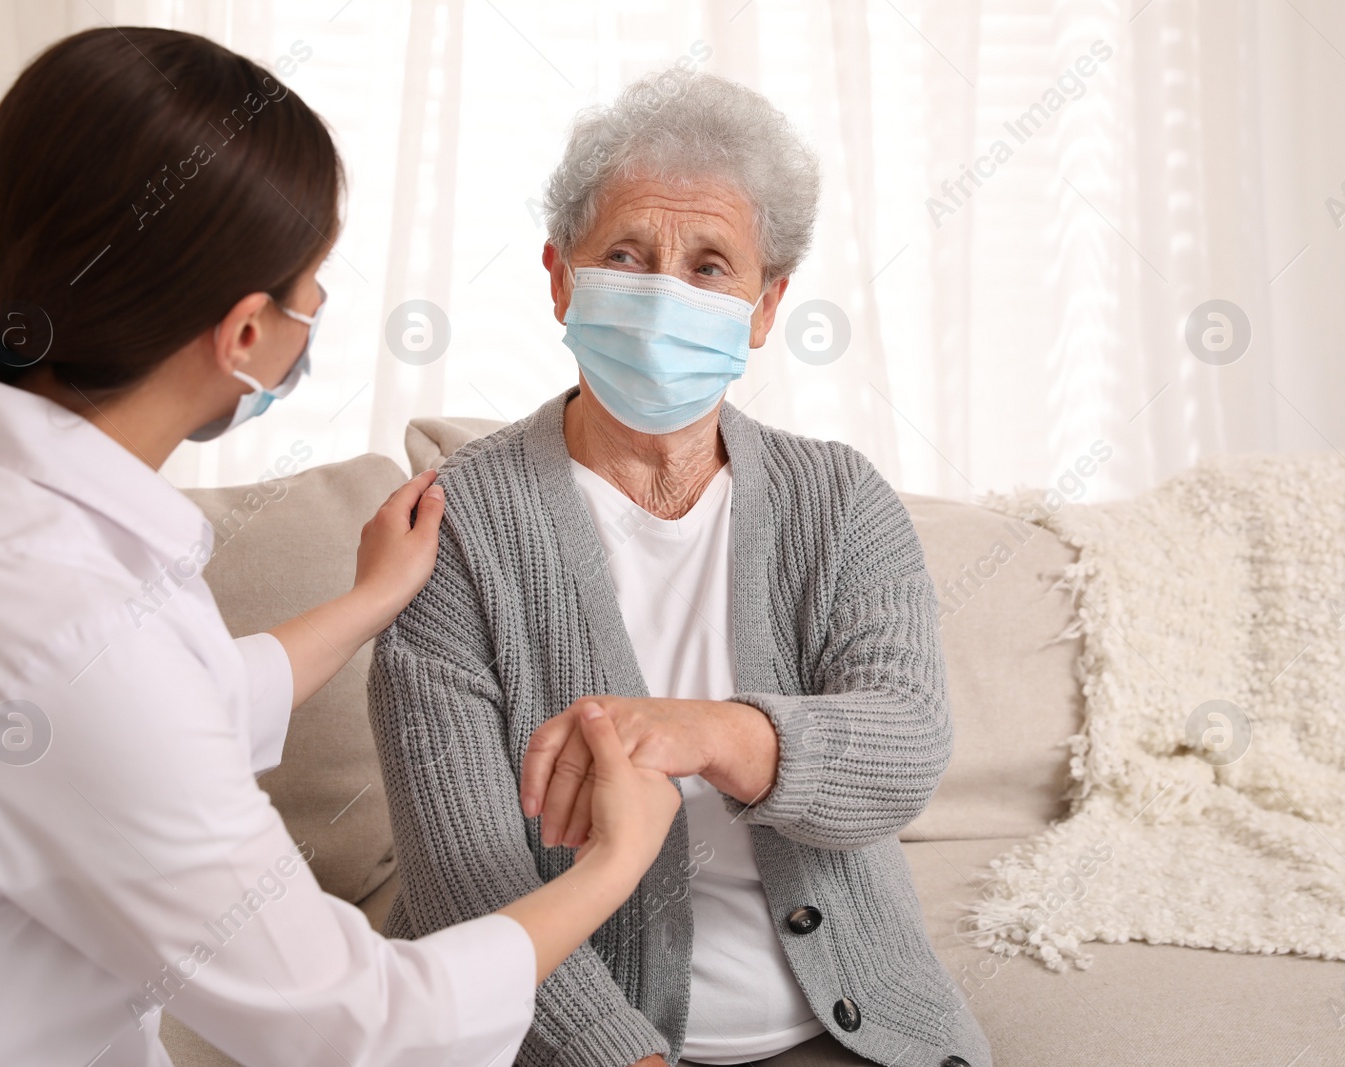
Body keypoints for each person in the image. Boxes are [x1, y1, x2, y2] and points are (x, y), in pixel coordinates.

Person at [0, 28, 680, 1067]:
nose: (316, 310)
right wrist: (614, 861)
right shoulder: (53, 622)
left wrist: (365, 602)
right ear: (243, 337)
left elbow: (145, 716)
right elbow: (352, 1021)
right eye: (310, 282)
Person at [368, 71, 991, 1067]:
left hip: (845, 1026)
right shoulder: (454, 522)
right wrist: (623, 1053)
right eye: (626, 254)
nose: (665, 293)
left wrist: (702, 730)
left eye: (710, 265)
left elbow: (904, 747)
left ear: (764, 305)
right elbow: (463, 872)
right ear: (560, 275)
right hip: (557, 1038)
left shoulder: (839, 499)